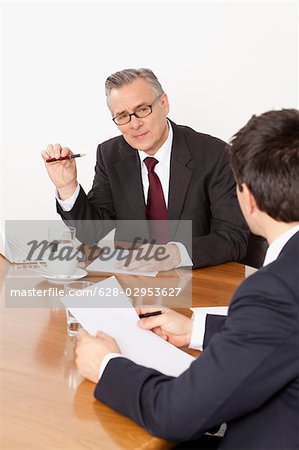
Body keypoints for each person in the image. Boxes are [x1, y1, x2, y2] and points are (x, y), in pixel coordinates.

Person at [75, 109, 299, 449]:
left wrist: (106, 365)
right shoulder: (283, 287)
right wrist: (197, 329)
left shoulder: (274, 289)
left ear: (248, 198)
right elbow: (285, 331)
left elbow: (174, 413)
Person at [41, 68, 248, 270]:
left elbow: (233, 238)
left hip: (199, 285)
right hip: (135, 284)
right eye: (122, 116)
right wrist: (68, 186)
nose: (134, 124)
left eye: (142, 110)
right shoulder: (110, 154)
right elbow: (92, 233)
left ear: (164, 104)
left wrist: (177, 254)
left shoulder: (215, 155)